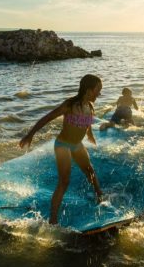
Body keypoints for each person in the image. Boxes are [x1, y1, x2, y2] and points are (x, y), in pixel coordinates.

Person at [19, 74, 103, 225]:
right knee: (64, 181)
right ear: (89, 90)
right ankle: (53, 220)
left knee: (90, 171)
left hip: (77, 145)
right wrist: (30, 134)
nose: (100, 93)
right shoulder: (69, 105)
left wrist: (90, 134)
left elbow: (87, 123)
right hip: (63, 145)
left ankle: (100, 197)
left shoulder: (90, 107)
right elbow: (46, 118)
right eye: (98, 90)